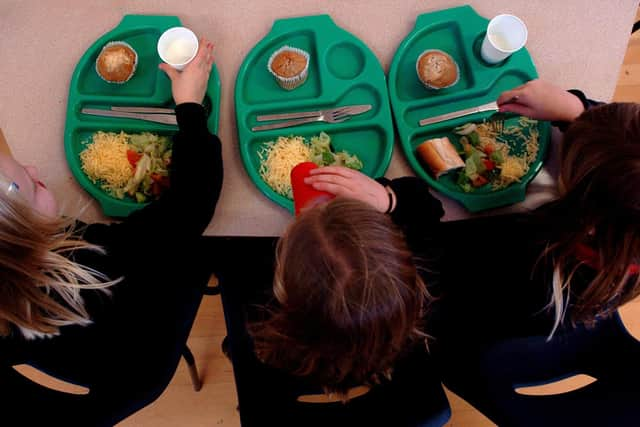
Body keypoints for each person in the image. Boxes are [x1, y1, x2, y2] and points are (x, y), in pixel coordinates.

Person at [0, 39, 221, 421]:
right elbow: (192, 202)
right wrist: (189, 107)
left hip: (103, 377)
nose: (37, 173)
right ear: (23, 236)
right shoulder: (96, 262)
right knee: (229, 247)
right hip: (144, 356)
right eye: (33, 185)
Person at [433, 79, 640, 349]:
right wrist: (578, 108)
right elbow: (627, 147)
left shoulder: (528, 260)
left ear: (587, 219)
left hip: (450, 317)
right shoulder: (620, 224)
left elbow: (434, 250)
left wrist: (397, 201)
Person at [242, 166, 445, 400]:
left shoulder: (264, 318)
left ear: (284, 288)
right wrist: (387, 198)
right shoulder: (430, 288)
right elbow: (429, 207)